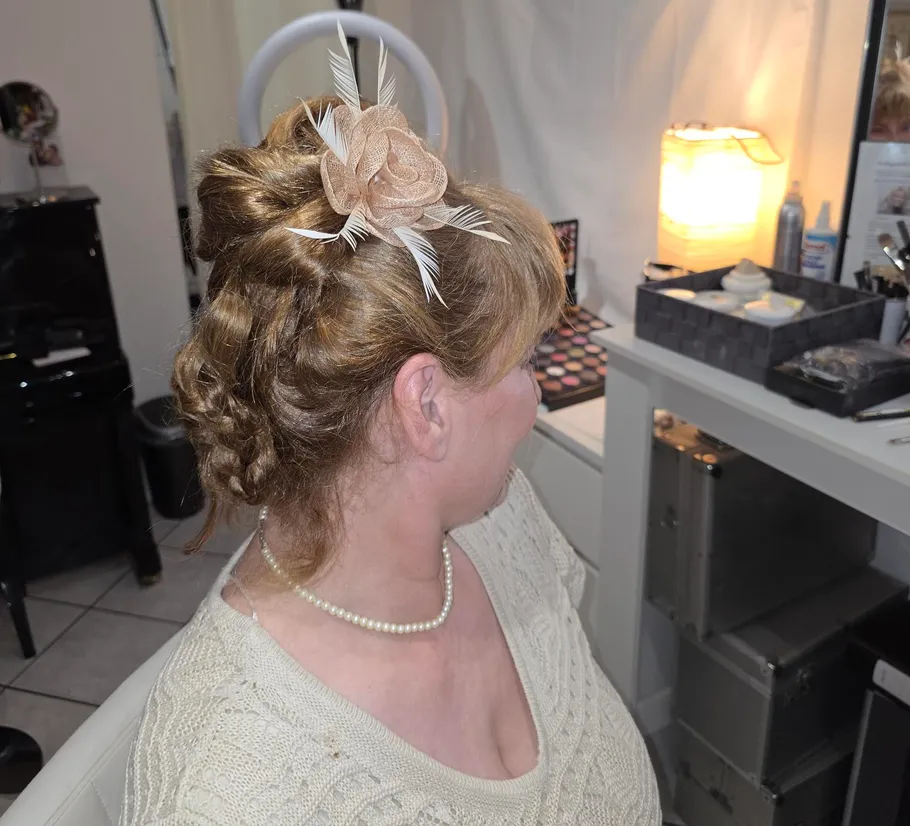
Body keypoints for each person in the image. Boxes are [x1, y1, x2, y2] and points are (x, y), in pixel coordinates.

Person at [120, 27, 660, 826]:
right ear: (427, 405)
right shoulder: (234, 790)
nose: (536, 395)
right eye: (521, 362)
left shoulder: (503, 525)